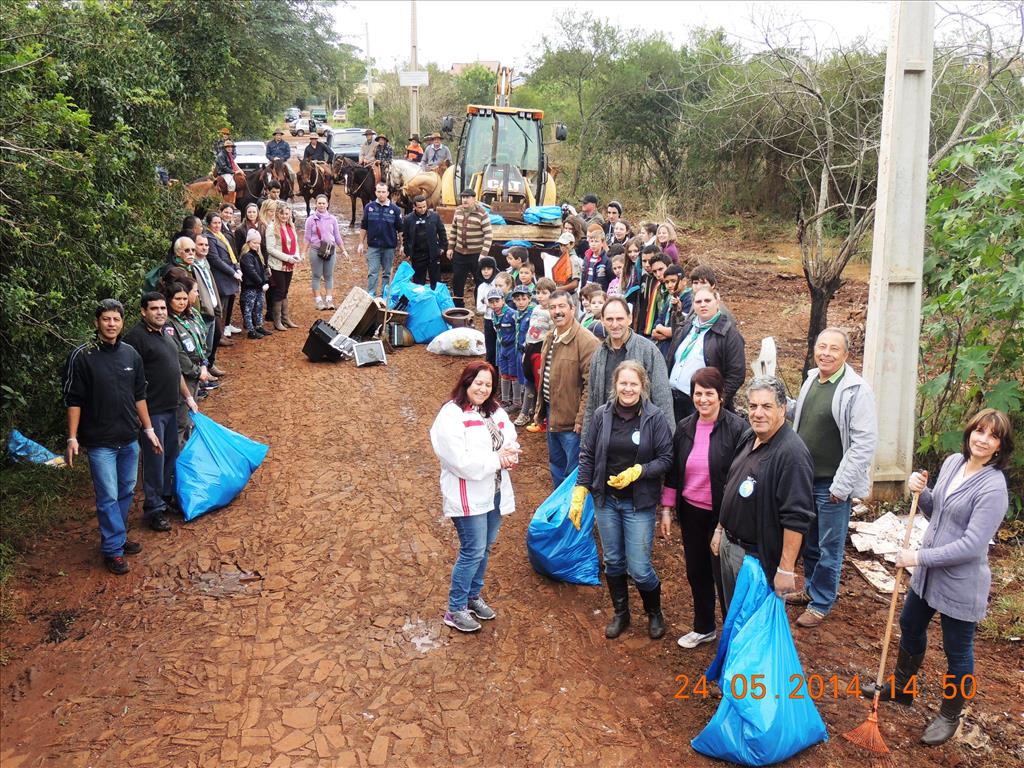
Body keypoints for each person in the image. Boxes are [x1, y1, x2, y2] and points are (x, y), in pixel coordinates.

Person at [869, 409, 1012, 746]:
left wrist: (917, 557)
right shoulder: (952, 463)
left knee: (958, 652)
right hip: (927, 575)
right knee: (910, 624)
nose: (982, 438)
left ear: (999, 447)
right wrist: (921, 491)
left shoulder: (993, 488)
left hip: (960, 583)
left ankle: (951, 714)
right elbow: (938, 512)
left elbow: (971, 545)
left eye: (992, 436)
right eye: (979, 430)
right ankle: (903, 689)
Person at [573, 360, 674, 639]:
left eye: (633, 384)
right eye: (623, 383)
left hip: (637, 503)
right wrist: (582, 488)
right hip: (606, 501)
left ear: (643, 387)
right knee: (614, 561)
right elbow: (588, 454)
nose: (628, 389)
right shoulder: (602, 416)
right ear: (615, 385)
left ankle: (654, 612)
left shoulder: (654, 418)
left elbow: (667, 459)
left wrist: (640, 471)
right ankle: (621, 613)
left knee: (640, 568)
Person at [63, 299, 163, 574]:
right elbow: (73, 399)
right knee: (107, 495)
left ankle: (115, 537)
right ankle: (113, 549)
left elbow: (139, 395)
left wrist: (149, 430)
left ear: (122, 322)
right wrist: (72, 437)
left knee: (126, 490)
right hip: (99, 442)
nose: (111, 324)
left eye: (116, 320)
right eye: (106, 319)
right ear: (97, 322)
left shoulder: (131, 354)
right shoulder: (83, 356)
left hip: (129, 438)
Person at [787, 328, 878, 628]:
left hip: (831, 484)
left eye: (833, 349)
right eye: (821, 346)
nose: (826, 353)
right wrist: (776, 401)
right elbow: (803, 414)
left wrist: (841, 486)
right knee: (810, 541)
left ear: (846, 354)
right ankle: (812, 588)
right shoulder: (813, 379)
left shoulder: (857, 390)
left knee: (830, 545)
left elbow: (864, 443)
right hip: (805, 478)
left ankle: (822, 601)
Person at [429, 361, 520, 633]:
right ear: (466, 382)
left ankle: (472, 596)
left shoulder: (493, 411)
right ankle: (455, 608)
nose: (482, 388)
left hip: (493, 490)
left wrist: (511, 451)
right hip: (467, 493)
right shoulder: (451, 414)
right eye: (477, 382)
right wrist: (498, 459)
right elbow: (458, 460)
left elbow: (509, 435)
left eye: (488, 384)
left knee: (486, 546)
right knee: (472, 550)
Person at [660, 367, 747, 648]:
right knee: (696, 571)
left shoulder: (737, 429)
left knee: (725, 575)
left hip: (724, 515)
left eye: (709, 393)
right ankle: (704, 627)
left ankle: (734, 636)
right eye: (698, 393)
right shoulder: (685, 427)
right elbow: (674, 472)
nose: (703, 399)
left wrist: (726, 522)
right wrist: (666, 510)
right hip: (691, 512)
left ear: (721, 396)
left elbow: (742, 475)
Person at [712, 377, 815, 608]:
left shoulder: (792, 455)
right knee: (732, 614)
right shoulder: (751, 436)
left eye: (766, 406)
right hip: (731, 545)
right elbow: (732, 484)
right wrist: (720, 529)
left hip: (756, 559)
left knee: (752, 625)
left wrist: (786, 569)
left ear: (782, 409)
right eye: (753, 406)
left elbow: (796, 518)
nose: (758, 413)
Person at [123, 292, 195, 532]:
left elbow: (175, 371)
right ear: (143, 311)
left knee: (170, 457)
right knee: (154, 460)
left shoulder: (167, 333)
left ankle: (165, 498)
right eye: (154, 309)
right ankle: (153, 508)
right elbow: (130, 380)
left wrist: (188, 396)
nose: (160, 312)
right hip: (151, 411)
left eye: (163, 308)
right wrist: (143, 421)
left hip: (172, 406)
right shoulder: (135, 338)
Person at [582, 297, 674, 443]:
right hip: (607, 436)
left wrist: (667, 445)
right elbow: (592, 402)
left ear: (630, 318)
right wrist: (586, 443)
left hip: (641, 438)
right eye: (610, 319)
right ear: (602, 321)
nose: (615, 324)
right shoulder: (599, 354)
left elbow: (663, 400)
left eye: (620, 319)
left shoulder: (649, 351)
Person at [533, 290, 599, 487]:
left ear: (573, 308)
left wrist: (581, 419)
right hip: (553, 413)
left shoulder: (587, 342)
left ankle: (572, 514)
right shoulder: (550, 337)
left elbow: (591, 385)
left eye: (562, 306)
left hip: (572, 422)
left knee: (573, 473)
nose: (557, 311)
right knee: (556, 466)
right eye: (552, 307)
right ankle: (558, 511)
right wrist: (541, 410)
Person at [665, 286, 746, 423]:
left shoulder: (729, 334)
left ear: (717, 301)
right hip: (673, 398)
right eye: (698, 301)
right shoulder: (688, 326)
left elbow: (736, 374)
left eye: (707, 300)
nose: (703, 304)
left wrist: (717, 401)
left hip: (699, 405)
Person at [163, 279, 210, 444]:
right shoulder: (168, 322)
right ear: (169, 300)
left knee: (191, 417)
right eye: (177, 299)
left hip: (197, 371)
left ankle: (188, 458)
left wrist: (204, 365)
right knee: (181, 420)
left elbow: (201, 342)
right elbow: (177, 352)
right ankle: (176, 463)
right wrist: (197, 372)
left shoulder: (191, 316)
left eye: (184, 298)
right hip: (184, 376)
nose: (182, 302)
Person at [447, 188, 492, 308]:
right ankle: (458, 306)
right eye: (463, 197)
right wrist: (450, 247)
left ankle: (480, 305)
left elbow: (488, 235)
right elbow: (454, 230)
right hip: (460, 253)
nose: (465, 200)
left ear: (474, 199)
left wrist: (483, 254)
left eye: (467, 197)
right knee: (457, 279)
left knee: (479, 281)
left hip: (476, 254)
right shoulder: (458, 211)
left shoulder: (482, 213)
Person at [358, 182, 403, 298]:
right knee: (372, 272)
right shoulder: (369, 207)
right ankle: (371, 294)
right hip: (373, 246)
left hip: (389, 247)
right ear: (375, 192)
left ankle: (384, 295)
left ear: (388, 193)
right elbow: (364, 226)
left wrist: (402, 245)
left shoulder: (395, 210)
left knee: (387, 273)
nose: (381, 194)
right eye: (379, 191)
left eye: (383, 192)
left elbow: (400, 229)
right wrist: (360, 243)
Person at [304, 193, 347, 310]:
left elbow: (337, 236)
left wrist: (343, 250)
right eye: (319, 203)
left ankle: (329, 300)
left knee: (329, 275)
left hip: (330, 250)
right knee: (316, 275)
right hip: (315, 250)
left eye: (324, 203)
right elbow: (307, 238)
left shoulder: (332, 219)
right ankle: (318, 301)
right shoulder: (310, 220)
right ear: (316, 204)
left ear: (327, 204)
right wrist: (304, 252)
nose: (322, 205)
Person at [265, 200, 302, 331]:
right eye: (282, 213)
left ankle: (285, 318)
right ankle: (277, 320)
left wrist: (296, 255)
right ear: (277, 214)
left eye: (287, 213)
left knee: (285, 290)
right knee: (279, 291)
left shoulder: (290, 226)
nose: (284, 216)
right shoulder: (271, 227)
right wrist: (287, 258)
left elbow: (296, 244)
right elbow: (270, 248)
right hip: (277, 265)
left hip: (290, 264)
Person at [205, 211, 242, 339]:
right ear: (209, 224)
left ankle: (221, 333)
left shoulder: (220, 235)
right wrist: (232, 272)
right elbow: (215, 260)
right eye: (214, 223)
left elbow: (232, 253)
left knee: (226, 308)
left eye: (219, 223)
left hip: (229, 275)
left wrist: (237, 268)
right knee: (220, 308)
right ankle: (218, 335)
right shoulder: (209, 238)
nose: (217, 225)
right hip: (220, 277)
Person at [402, 193, 448, 290]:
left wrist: (442, 247)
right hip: (417, 255)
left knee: (436, 282)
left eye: (424, 206)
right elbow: (406, 237)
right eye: (419, 207)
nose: (422, 209)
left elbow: (442, 232)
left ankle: (437, 300)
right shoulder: (408, 219)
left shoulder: (434, 216)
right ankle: (421, 302)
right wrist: (408, 251)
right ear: (414, 207)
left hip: (433, 253)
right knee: (418, 283)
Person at [238, 230, 271, 338]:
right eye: (254, 243)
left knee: (259, 307)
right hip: (250, 287)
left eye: (258, 243)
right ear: (248, 242)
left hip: (259, 287)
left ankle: (259, 326)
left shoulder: (257, 255)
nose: (256, 245)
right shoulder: (246, 256)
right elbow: (251, 272)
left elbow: (262, 270)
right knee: (248, 309)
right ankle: (250, 330)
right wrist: (261, 283)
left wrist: (265, 280)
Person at [581, 225, 612, 292]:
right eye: (591, 241)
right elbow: (583, 277)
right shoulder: (586, 258)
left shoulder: (606, 260)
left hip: (599, 293)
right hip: (586, 292)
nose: (593, 244)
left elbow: (611, 279)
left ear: (602, 243)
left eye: (596, 241)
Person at [549, 231, 581, 296]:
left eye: (565, 245)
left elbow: (575, 283)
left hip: (570, 295)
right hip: (562, 293)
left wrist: (557, 289)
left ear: (572, 244)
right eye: (561, 245)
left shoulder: (574, 260)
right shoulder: (564, 258)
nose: (562, 247)